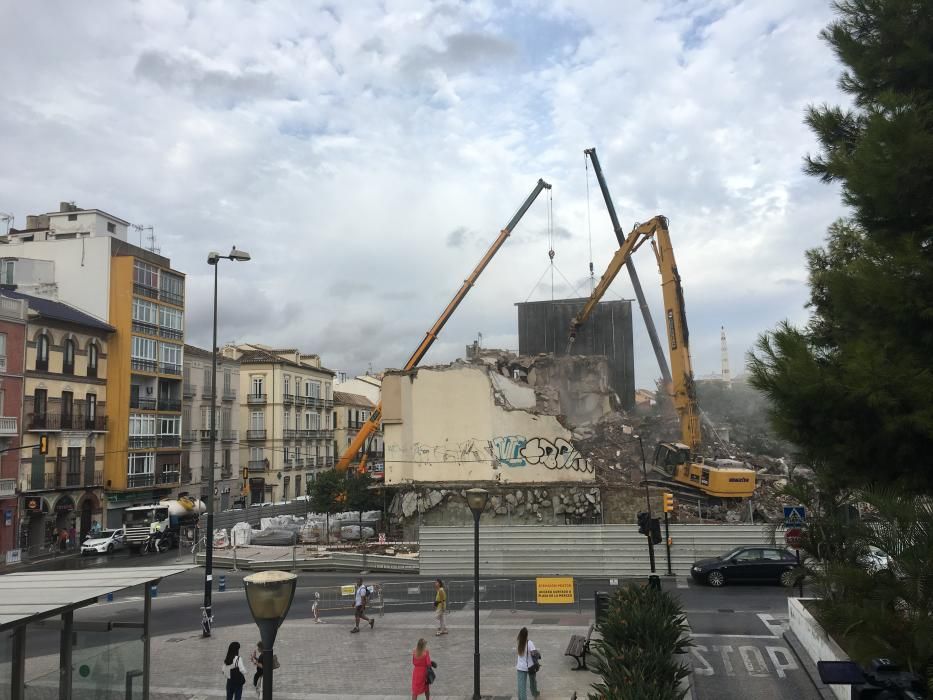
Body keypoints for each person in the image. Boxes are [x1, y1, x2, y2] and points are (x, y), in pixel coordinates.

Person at [516, 627, 540, 700]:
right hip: (530, 666)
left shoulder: (518, 642)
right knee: (532, 681)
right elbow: (535, 654)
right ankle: (535, 693)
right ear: (526, 635)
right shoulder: (529, 643)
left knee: (521, 686)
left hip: (520, 667)